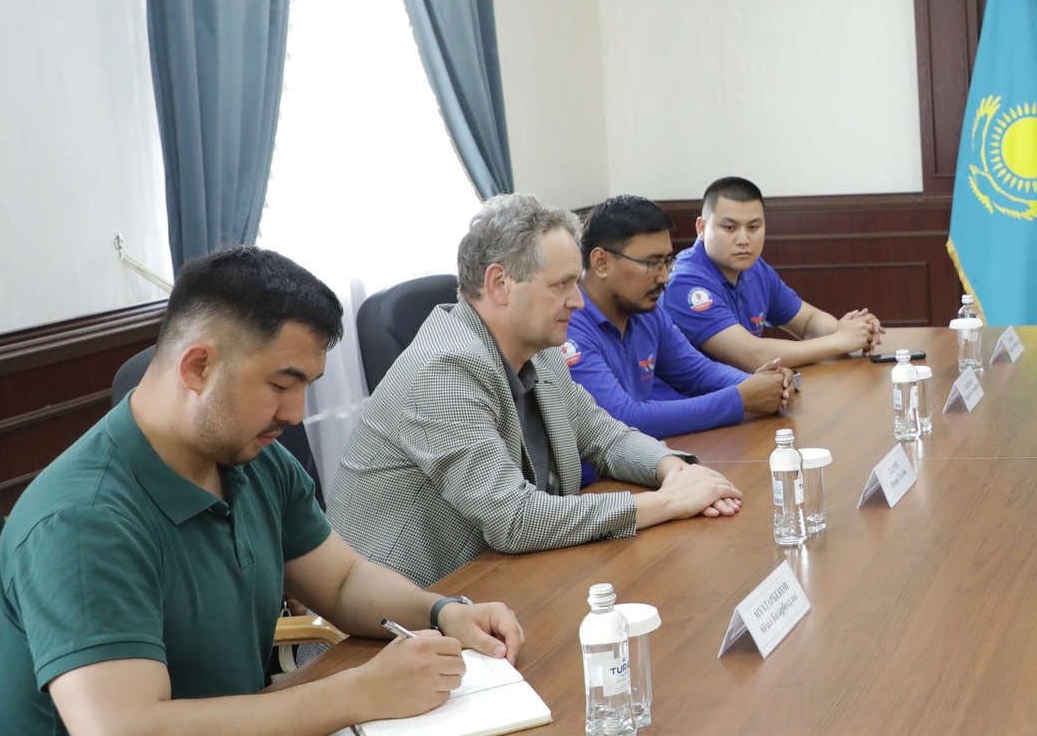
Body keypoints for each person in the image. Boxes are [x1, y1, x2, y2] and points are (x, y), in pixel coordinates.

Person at [0, 247, 524, 736]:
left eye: (307, 386)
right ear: (198, 366)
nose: (296, 413)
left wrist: (441, 611)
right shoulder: (82, 521)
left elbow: (342, 581)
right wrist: (358, 693)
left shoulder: (249, 460)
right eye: (282, 385)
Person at [329, 195, 744, 588]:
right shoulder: (443, 371)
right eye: (561, 285)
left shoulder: (539, 351)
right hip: (405, 615)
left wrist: (675, 471)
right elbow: (512, 518)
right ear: (499, 285)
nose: (578, 301)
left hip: (502, 582)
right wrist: (669, 503)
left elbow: (605, 435)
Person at [567, 195, 793, 437]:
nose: (664, 277)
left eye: (667, 262)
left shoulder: (646, 313)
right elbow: (622, 419)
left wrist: (764, 382)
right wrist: (741, 398)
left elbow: (699, 372)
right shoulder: (569, 326)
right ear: (601, 262)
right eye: (652, 263)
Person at [664, 176, 885, 368]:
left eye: (753, 227)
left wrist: (854, 330)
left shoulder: (756, 269)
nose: (744, 239)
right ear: (702, 228)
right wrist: (838, 341)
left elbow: (808, 322)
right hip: (690, 400)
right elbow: (752, 357)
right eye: (730, 228)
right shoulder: (685, 283)